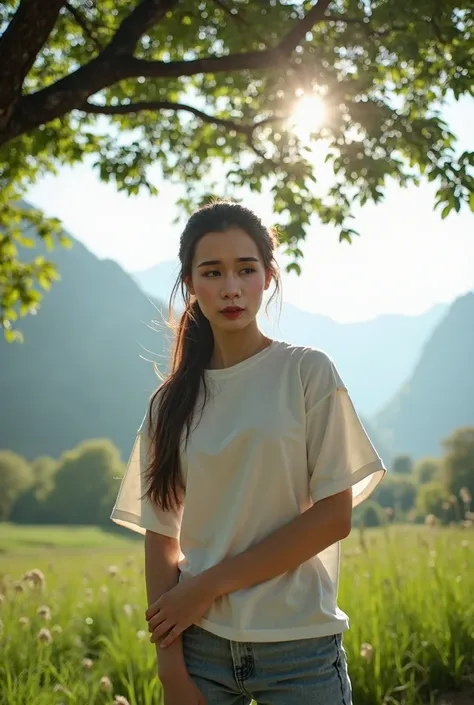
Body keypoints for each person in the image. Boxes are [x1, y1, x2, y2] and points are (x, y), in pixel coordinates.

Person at [110, 201, 386, 705]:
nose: (231, 288)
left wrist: (206, 586)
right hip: (201, 653)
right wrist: (171, 668)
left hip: (299, 649)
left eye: (246, 269)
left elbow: (333, 517)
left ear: (268, 277)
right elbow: (161, 534)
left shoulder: (307, 373)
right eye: (212, 272)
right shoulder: (170, 404)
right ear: (191, 283)